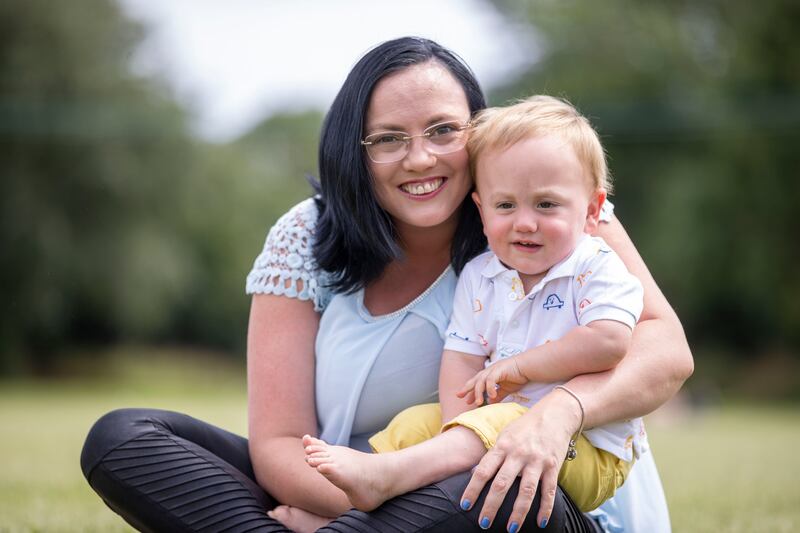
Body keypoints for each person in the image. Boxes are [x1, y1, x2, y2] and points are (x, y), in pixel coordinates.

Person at [80, 37, 693, 533]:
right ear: (356, 150)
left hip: (533, 492)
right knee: (124, 439)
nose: (420, 158)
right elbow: (278, 441)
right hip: (352, 482)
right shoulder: (306, 235)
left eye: (444, 131)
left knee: (481, 477)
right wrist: (362, 498)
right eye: (389, 139)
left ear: (478, 135)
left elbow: (666, 350)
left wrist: (561, 411)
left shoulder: (545, 211)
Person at [301, 95, 647, 526]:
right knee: (413, 425)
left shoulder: (595, 265)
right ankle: (349, 513)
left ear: (593, 210)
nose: (524, 222)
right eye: (506, 206)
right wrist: (456, 425)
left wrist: (522, 367)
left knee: (504, 421)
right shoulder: (481, 275)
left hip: (586, 450)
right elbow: (461, 356)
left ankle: (384, 481)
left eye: (546, 205)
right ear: (482, 210)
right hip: (498, 426)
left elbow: (609, 341)